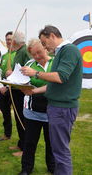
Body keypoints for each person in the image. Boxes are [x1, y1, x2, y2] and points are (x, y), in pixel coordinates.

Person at [20, 25, 83, 175]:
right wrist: (34, 91)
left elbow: (60, 77)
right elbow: (53, 85)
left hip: (62, 108)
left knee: (60, 152)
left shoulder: (69, 50)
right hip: (56, 108)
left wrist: (35, 73)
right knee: (58, 149)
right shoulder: (63, 51)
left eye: (44, 42)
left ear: (52, 36)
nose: (44, 46)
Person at [18, 39, 55, 175]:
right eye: (34, 54)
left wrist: (36, 87)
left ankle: (52, 167)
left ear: (45, 48)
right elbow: (22, 82)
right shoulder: (29, 64)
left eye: (39, 52)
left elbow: (56, 84)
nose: (37, 56)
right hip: (32, 111)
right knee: (29, 143)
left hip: (52, 110)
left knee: (51, 143)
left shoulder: (55, 63)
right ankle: (26, 169)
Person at [6, 31, 30, 156]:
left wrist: (12, 74)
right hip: (16, 90)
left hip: (22, 90)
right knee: (18, 117)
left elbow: (29, 69)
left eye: (11, 41)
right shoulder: (19, 52)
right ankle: (21, 143)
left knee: (22, 119)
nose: (10, 43)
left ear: (14, 42)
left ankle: (25, 149)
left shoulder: (25, 51)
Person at [0, 31, 16, 141]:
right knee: (5, 113)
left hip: (14, 88)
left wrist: (8, 87)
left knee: (19, 114)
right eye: (7, 39)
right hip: (3, 88)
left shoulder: (18, 55)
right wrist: (1, 86)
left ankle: (23, 138)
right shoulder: (3, 56)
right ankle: (7, 134)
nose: (9, 41)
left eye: (11, 39)